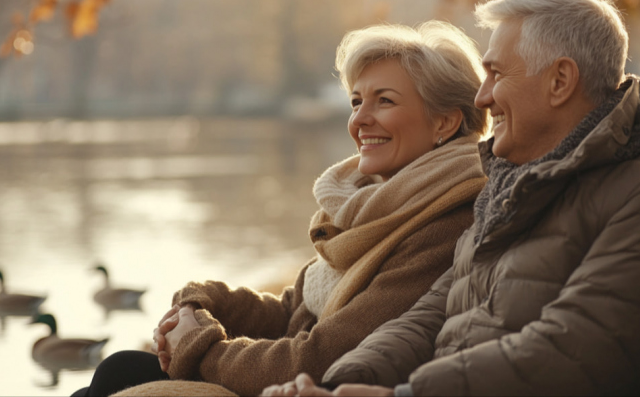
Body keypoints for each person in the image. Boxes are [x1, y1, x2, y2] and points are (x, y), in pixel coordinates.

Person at [263, 0, 640, 397]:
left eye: (496, 74)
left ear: (559, 81)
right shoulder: (520, 188)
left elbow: (572, 354)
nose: (481, 98)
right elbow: (428, 317)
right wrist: (339, 384)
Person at [72, 20, 490, 397]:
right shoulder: (370, 204)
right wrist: (203, 301)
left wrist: (199, 347)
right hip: (289, 377)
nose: (360, 120)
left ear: (444, 123)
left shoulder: (447, 220)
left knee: (118, 373)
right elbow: (293, 310)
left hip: (310, 386)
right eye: (356, 101)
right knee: (119, 369)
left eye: (384, 101)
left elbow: (320, 357)